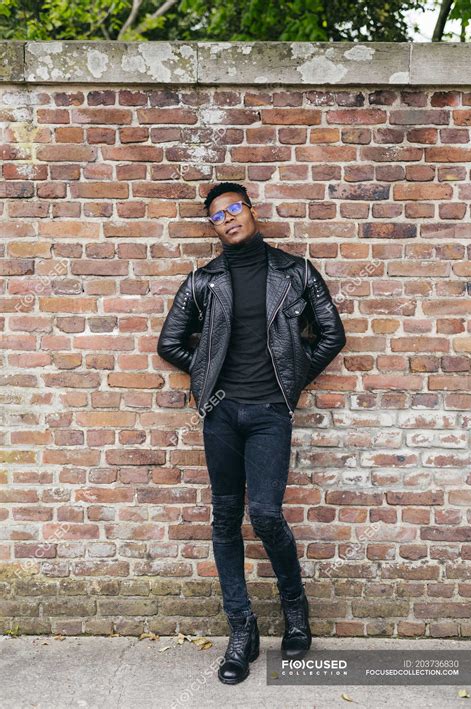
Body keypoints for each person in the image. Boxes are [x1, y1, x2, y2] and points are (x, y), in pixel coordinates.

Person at [157, 182, 346, 685]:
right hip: (221, 415)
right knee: (224, 519)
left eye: (235, 208)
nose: (229, 219)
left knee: (263, 513)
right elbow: (169, 342)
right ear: (213, 227)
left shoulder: (295, 272)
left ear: (251, 211)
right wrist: (209, 383)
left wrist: (292, 379)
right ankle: (241, 631)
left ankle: (295, 609)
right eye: (219, 216)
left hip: (269, 413)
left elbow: (332, 334)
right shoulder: (204, 280)